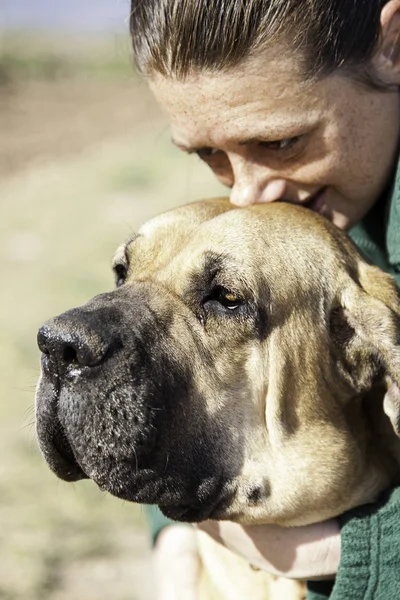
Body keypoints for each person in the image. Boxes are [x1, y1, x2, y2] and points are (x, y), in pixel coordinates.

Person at [129, 0, 400, 598]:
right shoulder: (324, 187)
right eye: (209, 154)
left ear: (393, 47)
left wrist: (350, 550)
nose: (249, 195)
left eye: (280, 141)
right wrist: (173, 532)